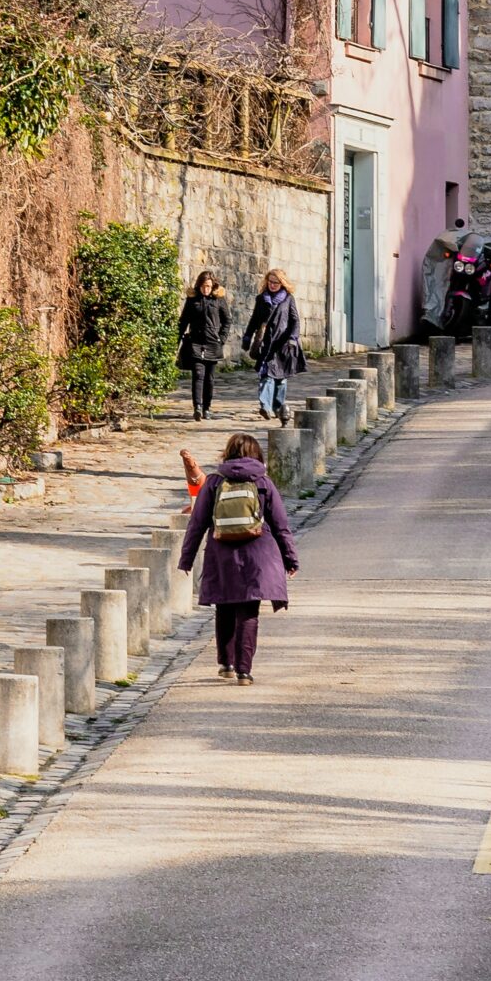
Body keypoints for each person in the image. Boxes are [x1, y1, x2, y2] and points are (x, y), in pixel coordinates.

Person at [177, 429, 299, 683]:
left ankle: (226, 663)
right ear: (257, 454)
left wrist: (186, 558)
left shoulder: (213, 481)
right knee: (248, 611)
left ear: (228, 453)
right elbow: (280, 525)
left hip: (221, 554)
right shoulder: (263, 482)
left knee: (224, 607)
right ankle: (244, 670)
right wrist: (290, 558)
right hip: (258, 555)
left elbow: (197, 523)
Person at [242, 267, 306, 421]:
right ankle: (265, 406)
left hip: (283, 344)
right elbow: (254, 320)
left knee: (281, 379)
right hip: (266, 344)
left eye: (276, 283)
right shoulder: (261, 299)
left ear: (282, 283)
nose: (272, 285)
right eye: (270, 282)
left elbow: (295, 320)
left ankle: (278, 406)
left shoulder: (288, 299)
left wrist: (293, 337)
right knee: (266, 376)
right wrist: (247, 336)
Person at [177, 271, 231, 421]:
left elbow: (227, 320)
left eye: (208, 286)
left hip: (213, 344)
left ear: (212, 286)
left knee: (209, 378)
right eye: (203, 286)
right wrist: (177, 339)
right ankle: (198, 407)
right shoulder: (192, 300)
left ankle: (207, 407)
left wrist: (221, 338)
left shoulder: (219, 300)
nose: (205, 289)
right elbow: (184, 321)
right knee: (198, 375)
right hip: (196, 343)